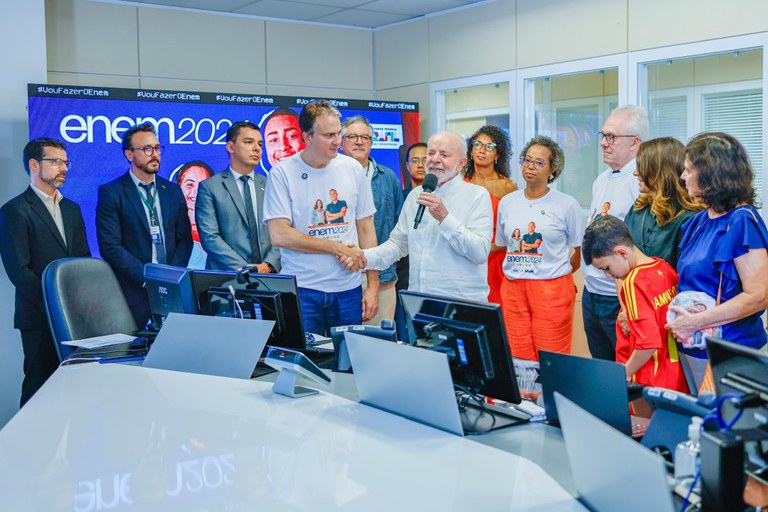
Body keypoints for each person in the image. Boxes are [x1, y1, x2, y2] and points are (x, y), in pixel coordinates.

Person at [264, 100, 379, 336]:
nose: (337, 141)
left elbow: (366, 227)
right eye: (328, 135)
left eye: (338, 133)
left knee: (349, 362)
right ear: (307, 137)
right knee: (306, 364)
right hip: (303, 290)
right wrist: (337, 247)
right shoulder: (282, 174)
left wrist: (373, 286)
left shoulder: (352, 168)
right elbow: (280, 234)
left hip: (349, 288)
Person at [667, 132, 768, 387]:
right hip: (695, 343)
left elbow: (758, 297)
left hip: (730, 350)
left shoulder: (742, 221)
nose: (682, 176)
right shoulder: (698, 221)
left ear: (712, 174)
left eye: (689, 170)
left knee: (724, 423)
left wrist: (695, 322)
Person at [0, 138, 90, 406]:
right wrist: (56, 308)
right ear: (34, 165)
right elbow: (20, 272)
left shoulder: (72, 209)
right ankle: (27, 447)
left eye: (65, 162)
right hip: (39, 318)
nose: (63, 168)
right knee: (38, 389)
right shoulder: (14, 211)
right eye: (55, 162)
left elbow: (83, 261)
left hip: (75, 319)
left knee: (74, 391)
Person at [362, 131, 492, 303]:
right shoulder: (415, 195)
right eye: (431, 153)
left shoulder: (477, 195)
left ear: (461, 163)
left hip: (460, 304)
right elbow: (397, 245)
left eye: (444, 154)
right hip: (419, 301)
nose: (435, 159)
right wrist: (362, 257)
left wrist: (445, 218)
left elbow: (480, 252)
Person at [496, 136, 584, 361]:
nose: (530, 166)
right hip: (513, 288)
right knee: (518, 356)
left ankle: (551, 397)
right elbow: (504, 245)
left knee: (551, 357)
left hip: (551, 289)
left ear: (552, 170)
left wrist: (553, 272)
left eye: (539, 162)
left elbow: (579, 252)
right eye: (527, 160)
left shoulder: (567, 204)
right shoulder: (507, 202)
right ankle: (525, 398)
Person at [97, 123, 192, 328]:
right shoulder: (112, 192)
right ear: (129, 155)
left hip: (172, 289)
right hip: (133, 292)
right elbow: (110, 246)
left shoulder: (173, 190)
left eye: (157, 148)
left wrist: (170, 277)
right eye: (147, 149)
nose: (154, 154)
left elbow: (185, 240)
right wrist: (148, 279)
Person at [583, 216, 688, 392]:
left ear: (622, 253)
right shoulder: (662, 266)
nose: (608, 276)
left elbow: (647, 344)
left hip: (647, 375)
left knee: (639, 420)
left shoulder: (633, 282)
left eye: (607, 268)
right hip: (672, 369)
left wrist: (624, 373)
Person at [582, 105, 648, 361]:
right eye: (603, 135)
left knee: (627, 374)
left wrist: (627, 302)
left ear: (634, 143)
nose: (603, 143)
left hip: (619, 296)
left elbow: (638, 245)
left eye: (611, 137)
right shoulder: (602, 179)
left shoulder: (640, 181)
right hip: (593, 291)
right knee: (602, 367)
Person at [340, 115, 404, 324]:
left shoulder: (388, 177)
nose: (359, 142)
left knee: (379, 344)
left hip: (383, 277)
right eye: (352, 137)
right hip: (341, 275)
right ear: (340, 142)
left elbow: (398, 225)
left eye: (365, 137)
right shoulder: (329, 176)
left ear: (372, 142)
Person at [195, 121, 281, 274]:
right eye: (248, 142)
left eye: (260, 144)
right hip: (226, 278)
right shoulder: (210, 187)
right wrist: (247, 270)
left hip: (270, 277)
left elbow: (283, 231)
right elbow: (210, 238)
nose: (256, 148)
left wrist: (269, 265)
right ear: (230, 147)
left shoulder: (271, 184)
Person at [463, 125, 517, 304]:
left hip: (496, 259)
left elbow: (516, 233)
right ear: (470, 151)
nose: (482, 150)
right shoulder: (460, 184)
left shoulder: (507, 186)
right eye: (477, 145)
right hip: (466, 259)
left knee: (497, 316)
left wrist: (492, 247)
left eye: (490, 147)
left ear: (498, 155)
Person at [173, 160, 214, 269]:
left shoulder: (220, 241)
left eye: (203, 186)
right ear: (178, 187)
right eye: (190, 185)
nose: (195, 193)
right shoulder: (169, 239)